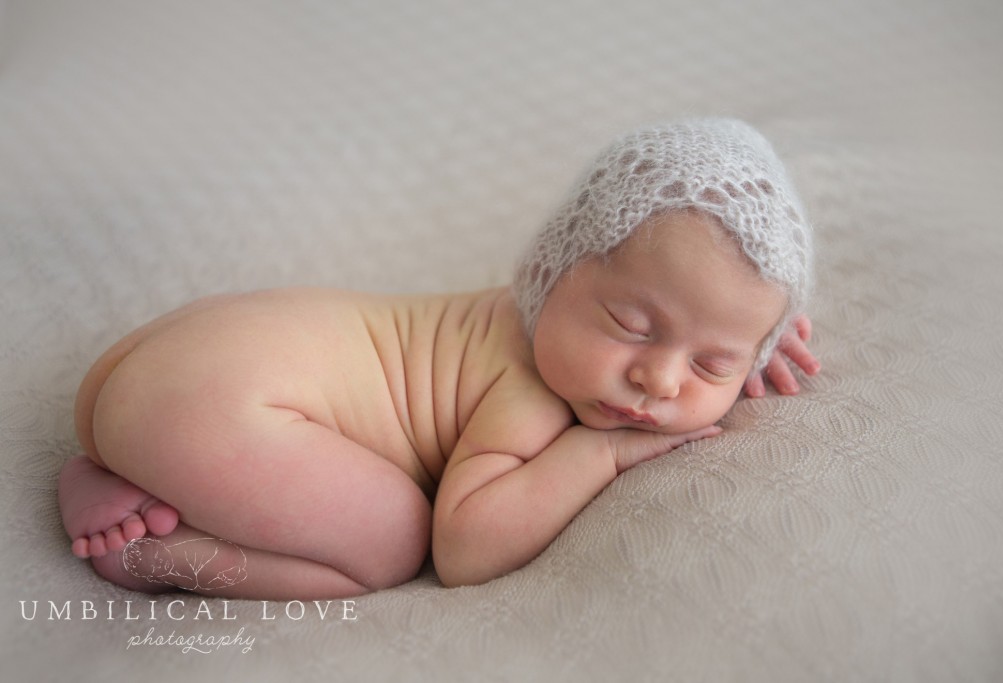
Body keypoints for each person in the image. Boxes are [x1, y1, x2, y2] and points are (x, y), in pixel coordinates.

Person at [57, 118, 819, 599]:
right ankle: (156, 554)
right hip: (223, 401)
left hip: (164, 365)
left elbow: (695, 304)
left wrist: (740, 340)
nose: (658, 379)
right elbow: (463, 549)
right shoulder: (529, 388)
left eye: (715, 365)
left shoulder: (561, 320)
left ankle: (122, 460)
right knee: (392, 543)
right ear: (551, 273)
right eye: (629, 323)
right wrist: (602, 453)